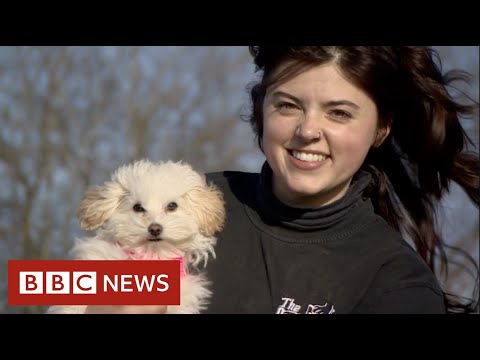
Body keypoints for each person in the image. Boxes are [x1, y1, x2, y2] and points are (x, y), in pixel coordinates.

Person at [86, 46, 479, 314]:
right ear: (262, 109)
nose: (308, 130)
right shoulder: (184, 198)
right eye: (288, 105)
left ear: (380, 129)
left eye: (339, 113)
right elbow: (43, 285)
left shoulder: (397, 283)